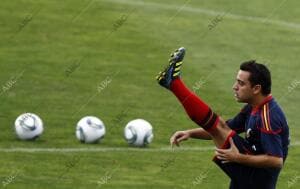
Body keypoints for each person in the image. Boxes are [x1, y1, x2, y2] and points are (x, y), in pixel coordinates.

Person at [156, 47, 289, 189]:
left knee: (218, 126)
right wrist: (191, 133)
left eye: (241, 83)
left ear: (256, 89)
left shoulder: (269, 116)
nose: (234, 87)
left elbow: (276, 160)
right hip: (248, 174)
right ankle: (172, 83)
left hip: (257, 181)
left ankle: (174, 83)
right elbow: (224, 128)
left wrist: (238, 157)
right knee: (219, 126)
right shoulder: (253, 107)